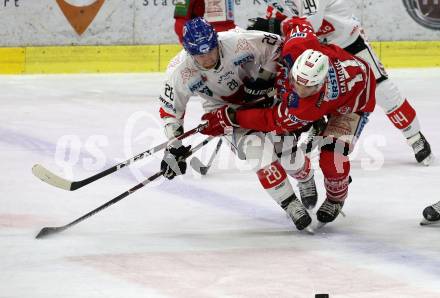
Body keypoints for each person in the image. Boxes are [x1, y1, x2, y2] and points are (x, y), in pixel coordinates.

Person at [202, 16, 377, 225]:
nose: (300, 90)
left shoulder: (307, 106)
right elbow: (300, 23)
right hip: (342, 80)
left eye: (308, 88)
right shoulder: (299, 45)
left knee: (332, 158)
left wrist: (232, 117)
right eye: (296, 81)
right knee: (284, 143)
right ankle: (305, 173)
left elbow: (270, 119)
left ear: (320, 85)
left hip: (354, 103)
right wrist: (277, 24)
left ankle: (336, 198)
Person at [158, 17, 316, 231]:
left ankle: (305, 178)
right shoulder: (179, 72)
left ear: (216, 41)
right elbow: (170, 111)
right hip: (223, 111)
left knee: (286, 152)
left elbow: (279, 46)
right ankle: (291, 205)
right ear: (187, 50)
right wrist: (173, 147)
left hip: (260, 100)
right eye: (200, 54)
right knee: (256, 152)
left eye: (211, 50)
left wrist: (265, 79)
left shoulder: (238, 41)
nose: (207, 58)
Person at [247, 0, 433, 165]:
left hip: (349, 43)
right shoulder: (274, 5)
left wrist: (275, 24)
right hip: (321, 51)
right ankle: (318, 125)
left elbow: (312, 23)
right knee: (311, 88)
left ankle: (414, 136)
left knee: (382, 88)